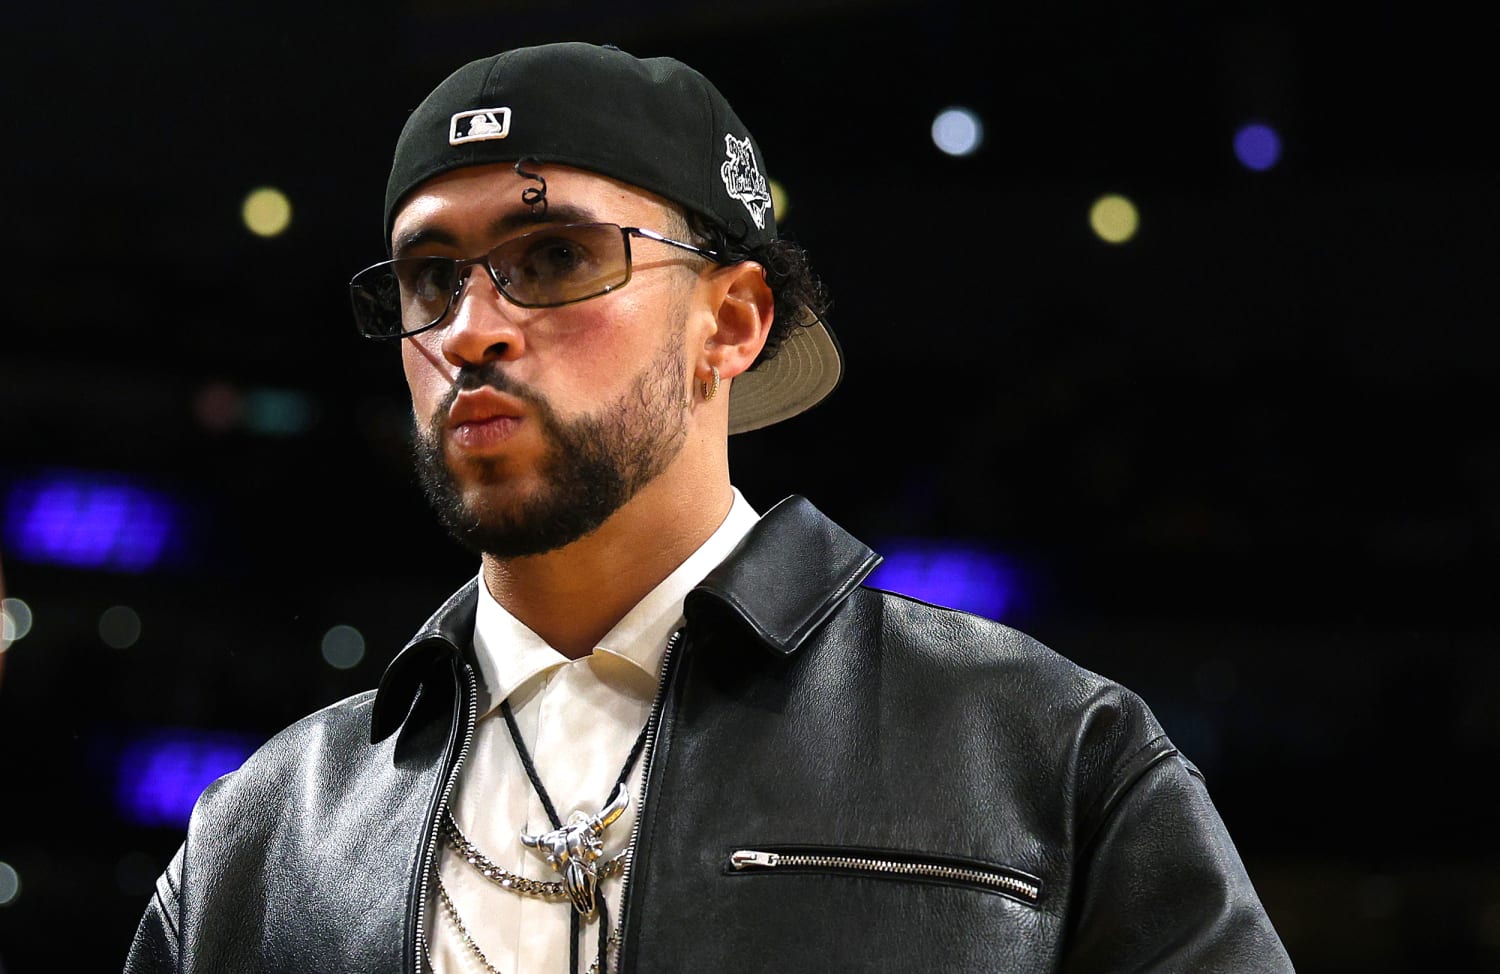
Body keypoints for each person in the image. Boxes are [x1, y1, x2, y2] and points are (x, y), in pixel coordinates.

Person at [125, 41, 1294, 973]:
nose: (470, 327)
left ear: (731, 324)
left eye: (554, 255)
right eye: (432, 278)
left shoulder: (1046, 750)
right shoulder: (262, 836)